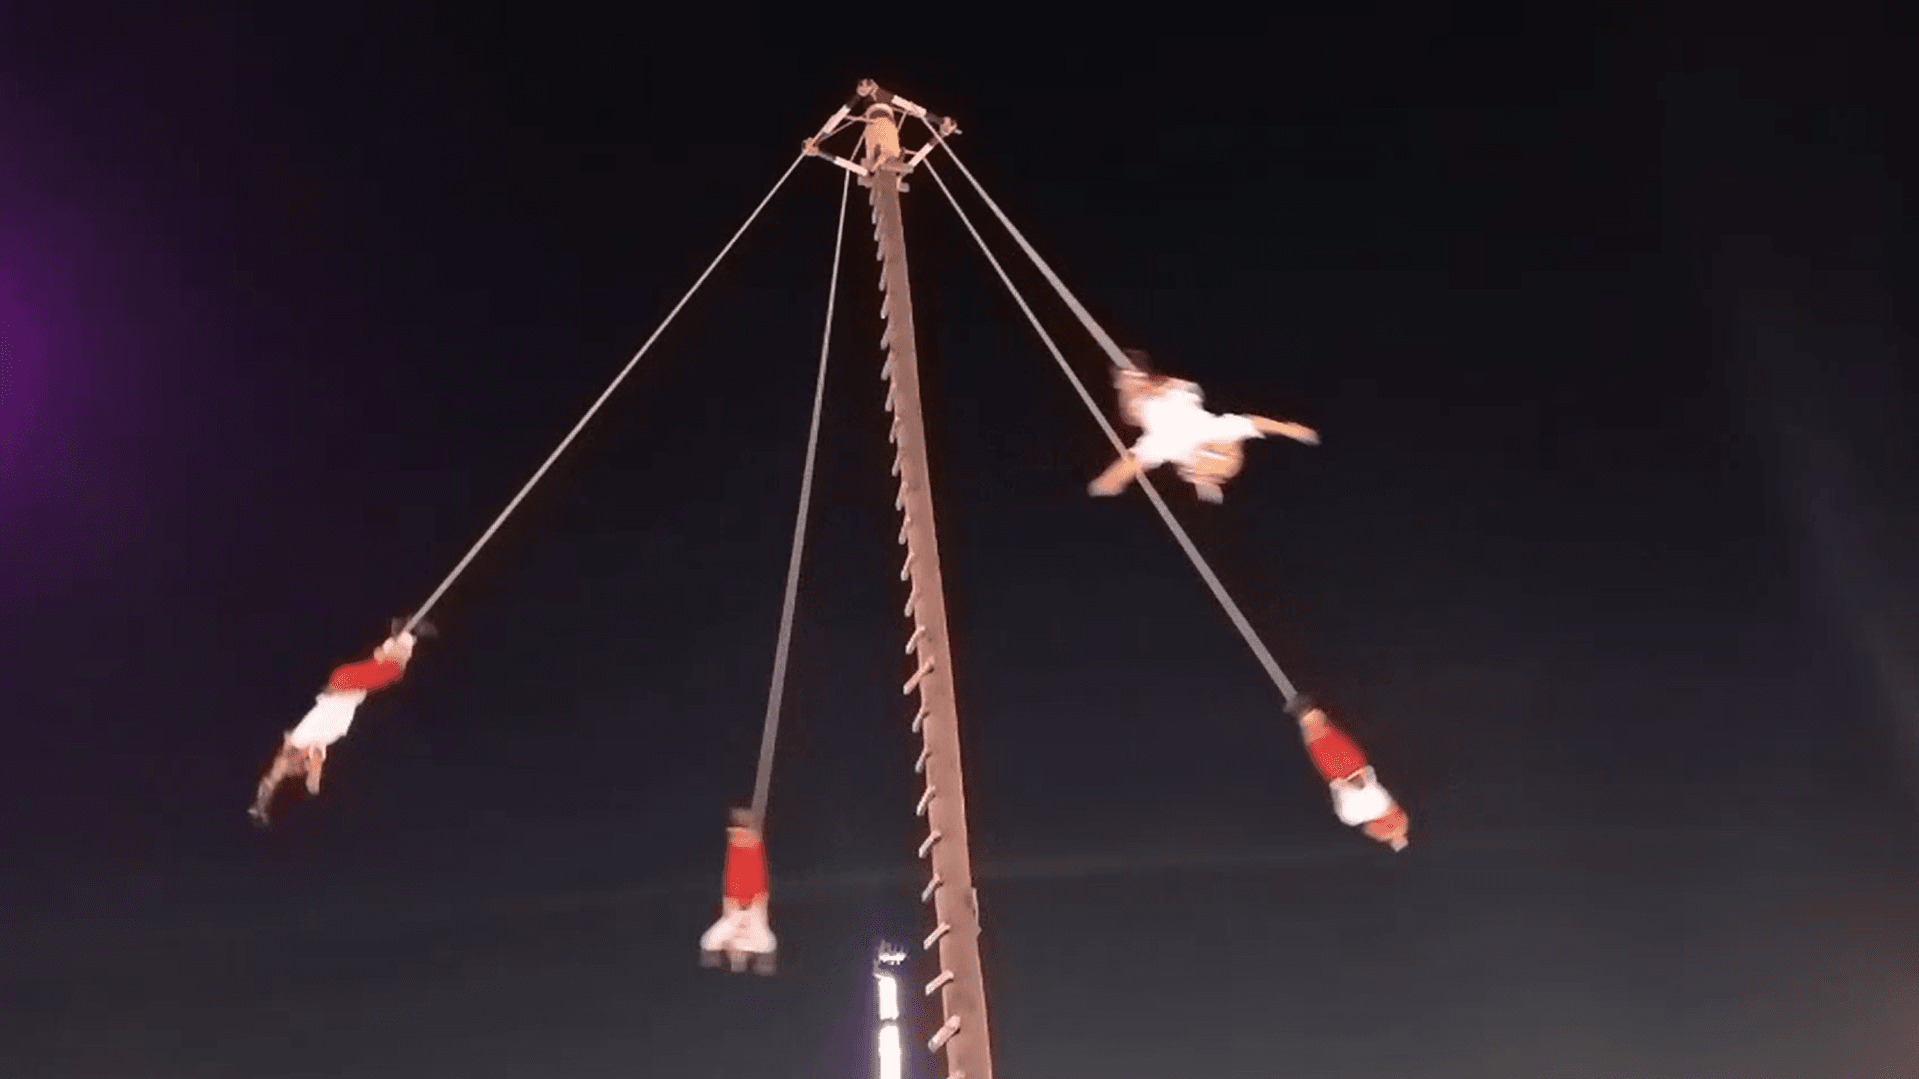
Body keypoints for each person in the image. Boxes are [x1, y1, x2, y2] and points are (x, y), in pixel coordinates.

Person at [247, 620, 430, 826]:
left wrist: (261, 804)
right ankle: (402, 636)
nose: (311, 763)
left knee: (390, 670)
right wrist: (311, 771)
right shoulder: (319, 747)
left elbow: (279, 773)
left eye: (304, 763)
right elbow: (313, 784)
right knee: (392, 670)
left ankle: (403, 636)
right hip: (352, 686)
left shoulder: (299, 740)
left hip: (342, 685)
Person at [1090, 350, 1318, 503]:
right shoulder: (1213, 431)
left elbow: (1133, 456)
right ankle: (1205, 472)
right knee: (1227, 453)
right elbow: (1253, 423)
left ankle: (1204, 473)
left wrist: (1109, 482)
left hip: (1172, 425)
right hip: (1184, 414)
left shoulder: (1168, 444)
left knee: (1128, 465)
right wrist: (1290, 429)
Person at [1289, 695, 1409, 851]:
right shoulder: (1373, 810)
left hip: (1345, 770)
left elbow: (1373, 819)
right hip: (1349, 768)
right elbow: (1378, 819)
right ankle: (1306, 711)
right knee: (1324, 737)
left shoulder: (1360, 813)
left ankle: (1305, 712)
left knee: (1321, 739)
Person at [699, 807, 777, 974]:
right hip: (746, 911)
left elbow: (712, 940)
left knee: (708, 941)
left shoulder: (727, 939)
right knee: (766, 942)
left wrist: (739, 915)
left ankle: (745, 829)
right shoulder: (756, 942)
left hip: (742, 909)